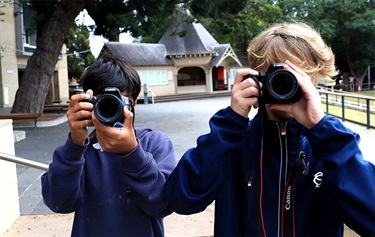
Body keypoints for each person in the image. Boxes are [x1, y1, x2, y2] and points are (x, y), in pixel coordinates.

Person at [164, 22, 375, 236]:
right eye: (277, 77)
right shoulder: (231, 143)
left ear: (313, 81)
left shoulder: (331, 147)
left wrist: (322, 130)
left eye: (295, 77)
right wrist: (230, 123)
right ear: (257, 80)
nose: (285, 86)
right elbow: (180, 200)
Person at [41, 53, 176, 236]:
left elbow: (163, 205)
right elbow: (60, 203)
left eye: (119, 101)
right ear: (88, 103)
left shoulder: (155, 143)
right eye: (103, 102)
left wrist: (132, 153)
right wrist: (74, 144)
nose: (111, 109)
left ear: (134, 104)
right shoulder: (81, 149)